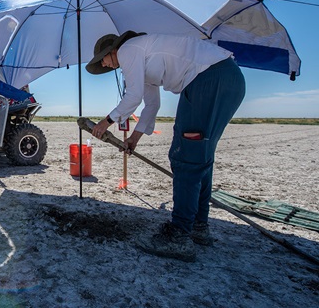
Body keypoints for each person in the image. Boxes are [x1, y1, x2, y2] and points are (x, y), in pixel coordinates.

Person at [87, 31, 245, 262]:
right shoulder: (141, 56)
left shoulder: (128, 49)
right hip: (229, 79)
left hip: (208, 80)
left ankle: (179, 235)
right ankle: (198, 227)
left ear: (113, 51)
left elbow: (132, 97)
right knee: (200, 156)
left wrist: (105, 122)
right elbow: (151, 103)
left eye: (103, 59)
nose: (104, 64)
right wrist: (135, 137)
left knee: (185, 158)